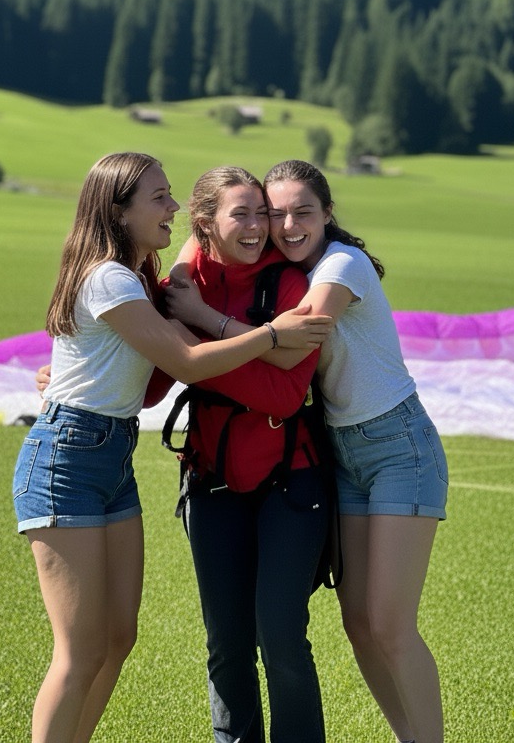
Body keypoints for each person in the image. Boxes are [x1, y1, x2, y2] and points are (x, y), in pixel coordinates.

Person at [12, 152, 332, 743]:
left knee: (117, 639)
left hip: (112, 456)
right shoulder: (113, 278)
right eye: (159, 197)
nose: (173, 206)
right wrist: (270, 335)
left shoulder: (144, 276)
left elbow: (183, 284)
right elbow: (182, 362)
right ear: (119, 210)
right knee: (80, 653)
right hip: (70, 456)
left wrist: (200, 313)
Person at [171, 159, 447, 743]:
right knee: (359, 625)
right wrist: (181, 273)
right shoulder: (288, 264)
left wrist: (200, 317)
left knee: (390, 626)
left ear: (328, 214)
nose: (287, 225)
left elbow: (289, 351)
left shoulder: (339, 266)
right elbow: (198, 247)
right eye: (276, 214)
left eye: (303, 212)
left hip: (397, 447)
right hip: (341, 450)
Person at [162, 165, 329, 743]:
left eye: (263, 213)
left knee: (280, 637)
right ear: (205, 222)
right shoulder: (183, 283)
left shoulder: (289, 284)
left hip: (292, 481)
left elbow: (285, 394)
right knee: (227, 643)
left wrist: (195, 351)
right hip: (211, 480)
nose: (260, 226)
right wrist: (62, 379)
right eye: (243, 214)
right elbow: (152, 378)